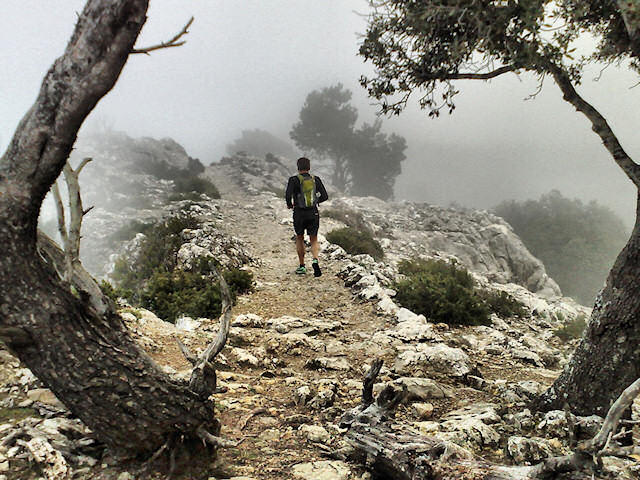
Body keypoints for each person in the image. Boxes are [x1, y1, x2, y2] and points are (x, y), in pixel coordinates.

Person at [285, 157, 329, 276]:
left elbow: (288, 195)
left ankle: (302, 266)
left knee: (300, 238)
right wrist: (315, 200)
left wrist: (290, 205)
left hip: (299, 212)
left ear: (298, 167)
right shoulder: (316, 179)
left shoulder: (293, 180)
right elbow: (325, 196)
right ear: (309, 168)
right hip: (313, 212)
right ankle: (315, 260)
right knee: (313, 238)